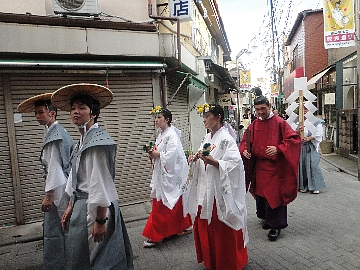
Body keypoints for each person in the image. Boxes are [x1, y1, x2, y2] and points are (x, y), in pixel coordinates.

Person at [51, 83, 133, 270]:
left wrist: (100, 220)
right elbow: (76, 175)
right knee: (83, 255)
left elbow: (99, 182)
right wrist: (70, 206)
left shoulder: (96, 142)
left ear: (93, 113)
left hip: (94, 209)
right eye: (73, 108)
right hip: (83, 205)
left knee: (97, 259)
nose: (76, 112)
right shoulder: (83, 140)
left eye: (82, 108)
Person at [186, 103, 248, 269]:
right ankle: (212, 259)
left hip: (219, 191)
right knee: (208, 224)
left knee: (222, 225)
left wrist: (216, 163)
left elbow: (235, 165)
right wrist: (196, 159)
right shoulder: (207, 138)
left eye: (207, 116)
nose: (204, 120)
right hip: (207, 189)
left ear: (218, 117)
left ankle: (229, 261)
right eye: (204, 116)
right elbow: (203, 155)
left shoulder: (227, 139)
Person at [17, 93, 73, 270]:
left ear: (52, 113)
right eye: (36, 113)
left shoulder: (55, 135)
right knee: (62, 225)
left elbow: (54, 166)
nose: (37, 116)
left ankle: (67, 262)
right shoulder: (54, 132)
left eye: (41, 112)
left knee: (62, 225)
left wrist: (49, 196)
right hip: (61, 183)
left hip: (60, 186)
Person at [239, 96, 301, 242]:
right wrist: (245, 151)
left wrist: (279, 149)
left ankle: (276, 226)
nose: (260, 112)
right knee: (261, 195)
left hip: (275, 169)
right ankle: (266, 218)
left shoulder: (280, 123)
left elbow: (293, 140)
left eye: (263, 109)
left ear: (270, 106)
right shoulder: (254, 125)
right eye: (257, 109)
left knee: (274, 196)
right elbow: (245, 142)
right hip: (259, 167)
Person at [142, 106, 192, 247]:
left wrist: (158, 154)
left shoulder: (171, 135)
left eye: (159, 117)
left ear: (167, 119)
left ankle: (156, 235)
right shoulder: (163, 134)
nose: (156, 120)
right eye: (155, 117)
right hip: (164, 173)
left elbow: (173, 155)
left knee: (162, 204)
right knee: (172, 202)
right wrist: (153, 153)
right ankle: (182, 226)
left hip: (170, 174)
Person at [297, 107, 326, 194]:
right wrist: (297, 132)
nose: (305, 111)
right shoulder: (297, 121)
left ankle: (314, 186)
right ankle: (303, 186)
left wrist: (309, 138)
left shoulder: (316, 121)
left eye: (307, 109)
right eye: (303, 109)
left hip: (310, 146)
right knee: (302, 166)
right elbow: (290, 133)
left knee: (313, 165)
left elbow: (319, 134)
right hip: (300, 147)